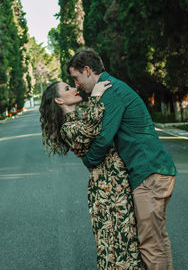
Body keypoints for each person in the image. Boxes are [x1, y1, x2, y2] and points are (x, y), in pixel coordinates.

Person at [67, 49, 178, 270]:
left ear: (87, 71)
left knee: (149, 245)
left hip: (149, 173)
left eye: (76, 78)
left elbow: (103, 139)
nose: (76, 85)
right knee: (157, 241)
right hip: (155, 171)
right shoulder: (112, 87)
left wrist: (89, 162)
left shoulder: (110, 91)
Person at [39, 80, 145, 270]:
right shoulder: (68, 129)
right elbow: (92, 129)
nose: (74, 89)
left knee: (126, 241)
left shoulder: (80, 119)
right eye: (67, 89)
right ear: (58, 101)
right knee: (114, 245)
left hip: (115, 183)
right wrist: (95, 96)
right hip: (106, 189)